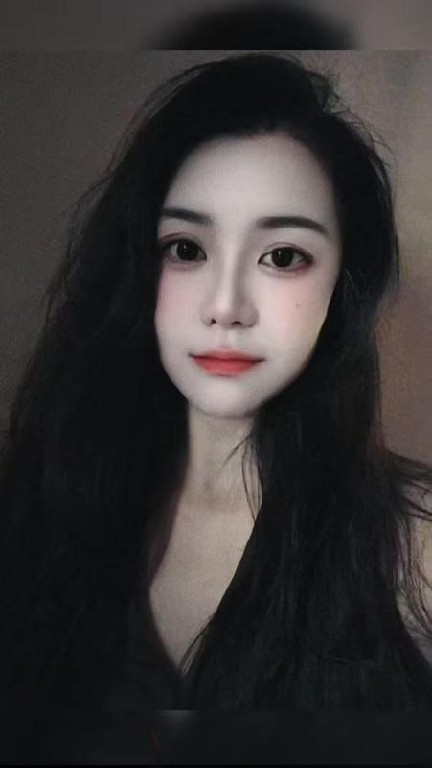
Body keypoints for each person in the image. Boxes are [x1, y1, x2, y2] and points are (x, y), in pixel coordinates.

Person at [1, 51, 432, 759]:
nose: (226, 306)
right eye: (186, 249)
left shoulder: (416, 547)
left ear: (341, 285)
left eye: (283, 256)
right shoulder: (33, 513)